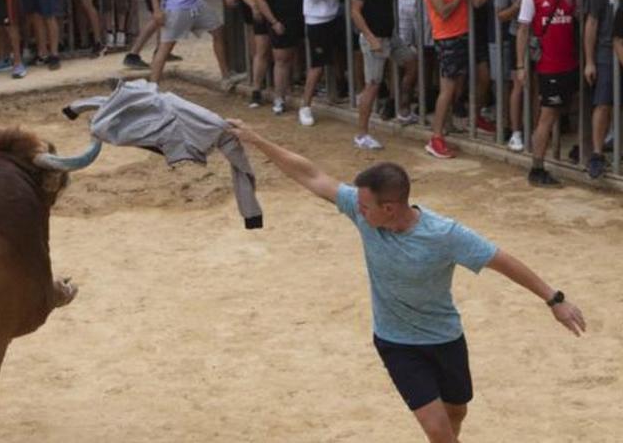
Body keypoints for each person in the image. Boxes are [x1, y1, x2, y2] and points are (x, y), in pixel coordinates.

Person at [225, 117, 586, 443]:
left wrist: (555, 300)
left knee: (455, 413)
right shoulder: (363, 211)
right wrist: (256, 139)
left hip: (445, 338)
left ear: (390, 208)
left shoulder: (445, 235)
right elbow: (312, 176)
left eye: (365, 207)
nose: (357, 212)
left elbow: (501, 260)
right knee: (439, 432)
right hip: (396, 342)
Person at [515, 0, 577, 187]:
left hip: (569, 64)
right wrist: (521, 66)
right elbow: (522, 30)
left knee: (559, 113)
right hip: (548, 66)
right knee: (547, 116)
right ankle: (537, 168)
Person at [350, 0, 418, 149]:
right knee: (372, 85)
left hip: (390, 36)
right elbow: (355, 12)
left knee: (412, 63)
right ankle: (361, 134)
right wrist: (371, 39)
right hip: (375, 38)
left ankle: (403, 110)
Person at [148, 0, 236, 90]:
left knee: (218, 30)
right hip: (175, 5)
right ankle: (151, 89)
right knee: (165, 48)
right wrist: (157, 9)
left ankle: (226, 76)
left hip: (195, 2)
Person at [422, 0, 474, 159]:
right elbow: (443, 11)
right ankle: (435, 138)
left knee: (455, 85)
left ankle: (446, 126)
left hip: (461, 32)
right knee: (447, 87)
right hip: (447, 36)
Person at [495, 0, 539, 152]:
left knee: (537, 86)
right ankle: (516, 132)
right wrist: (518, 4)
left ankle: (537, 132)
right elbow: (501, 15)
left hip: (540, 37)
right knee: (518, 85)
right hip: (516, 37)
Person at [299, 0, 347, 127]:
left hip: (334, 17)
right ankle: (305, 106)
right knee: (317, 66)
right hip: (316, 21)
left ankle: (334, 94)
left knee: (337, 57)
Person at [253, 0, 303, 116]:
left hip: (296, 19)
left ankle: (285, 92)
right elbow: (260, 0)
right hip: (279, 21)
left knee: (290, 58)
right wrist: (274, 22)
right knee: (281, 60)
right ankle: (279, 98)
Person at [583, 0, 617, 179]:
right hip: (606, 52)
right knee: (603, 103)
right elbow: (591, 23)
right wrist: (590, 61)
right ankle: (596, 154)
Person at [468, 0, 500, 134]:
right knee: (485, 77)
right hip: (481, 29)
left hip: (497, 30)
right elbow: (476, 1)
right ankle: (476, 115)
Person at [234, 0, 271, 108]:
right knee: (261, 49)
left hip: (278, 5)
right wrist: (253, 5)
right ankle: (256, 89)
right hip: (260, 7)